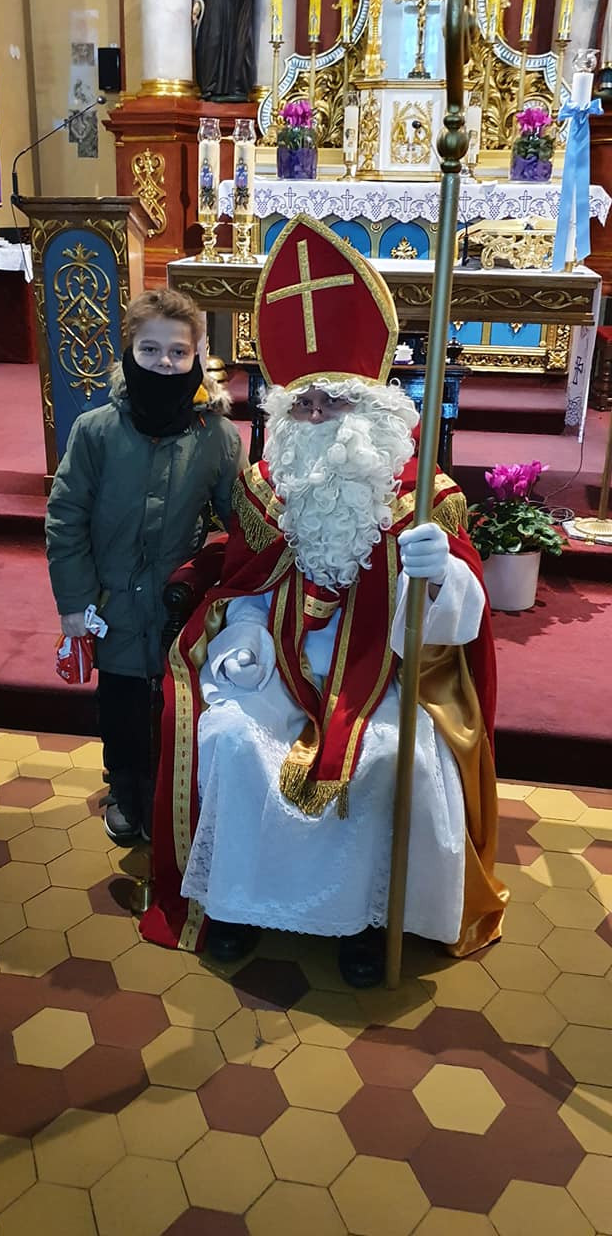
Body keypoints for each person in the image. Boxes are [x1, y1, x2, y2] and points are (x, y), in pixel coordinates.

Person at [142, 219, 507, 987]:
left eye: (333, 403)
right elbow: (243, 581)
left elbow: (457, 634)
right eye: (302, 406)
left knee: (393, 759)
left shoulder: (424, 496)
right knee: (232, 738)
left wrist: (439, 576)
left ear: (372, 410)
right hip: (277, 662)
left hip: (391, 670)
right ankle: (237, 901)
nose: (315, 419)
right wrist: (240, 638)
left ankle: (370, 921)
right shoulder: (266, 487)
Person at [45, 288, 245, 846]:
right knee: (121, 705)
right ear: (129, 350)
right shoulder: (96, 431)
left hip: (176, 608)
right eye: (150, 350)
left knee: (174, 707)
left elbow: (241, 522)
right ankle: (125, 789)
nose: (164, 362)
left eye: (178, 352)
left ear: (198, 354)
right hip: (110, 605)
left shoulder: (217, 438)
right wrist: (74, 603)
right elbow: (66, 519)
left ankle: (167, 795)